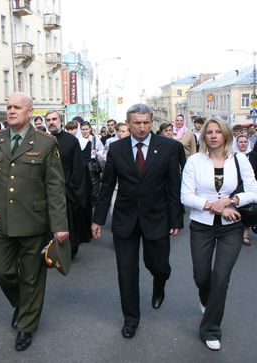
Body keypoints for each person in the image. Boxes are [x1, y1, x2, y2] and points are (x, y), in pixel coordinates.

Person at [0, 92, 68, 351]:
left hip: (34, 222)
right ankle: (23, 305)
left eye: (17, 107)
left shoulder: (45, 143)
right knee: (1, 272)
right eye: (8, 107)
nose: (11, 111)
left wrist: (60, 225)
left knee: (32, 277)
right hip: (2, 222)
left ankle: (27, 325)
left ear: (30, 112)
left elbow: (55, 187)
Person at [91, 104, 184, 339]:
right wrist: (99, 219)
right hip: (125, 219)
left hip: (157, 218)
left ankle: (159, 283)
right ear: (128, 123)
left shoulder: (169, 147)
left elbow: (174, 186)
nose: (142, 127)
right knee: (127, 272)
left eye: (146, 123)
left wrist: (176, 218)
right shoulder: (117, 148)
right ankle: (131, 319)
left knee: (159, 266)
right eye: (136, 123)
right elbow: (107, 185)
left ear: (151, 122)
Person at [180, 118, 257, 351]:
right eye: (209, 132)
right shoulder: (194, 161)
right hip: (201, 226)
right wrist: (214, 206)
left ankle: (210, 329)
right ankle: (206, 297)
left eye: (218, 132)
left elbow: (253, 191)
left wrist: (232, 200)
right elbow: (186, 196)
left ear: (226, 135)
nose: (213, 136)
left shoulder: (239, 159)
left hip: (231, 227)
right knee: (202, 275)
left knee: (221, 277)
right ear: (204, 137)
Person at [46, 110, 89, 256]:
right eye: (48, 120)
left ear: (61, 121)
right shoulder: (43, 140)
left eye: (54, 119)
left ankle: (69, 250)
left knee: (68, 222)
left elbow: (78, 167)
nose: (51, 122)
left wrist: (72, 189)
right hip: (46, 190)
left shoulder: (71, 141)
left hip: (66, 189)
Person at [235, 134, 253, 245]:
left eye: (245, 142)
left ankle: (245, 233)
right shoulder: (233, 157)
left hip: (251, 187)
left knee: (249, 209)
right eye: (240, 142)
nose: (243, 144)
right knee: (239, 209)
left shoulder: (254, 156)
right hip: (238, 186)